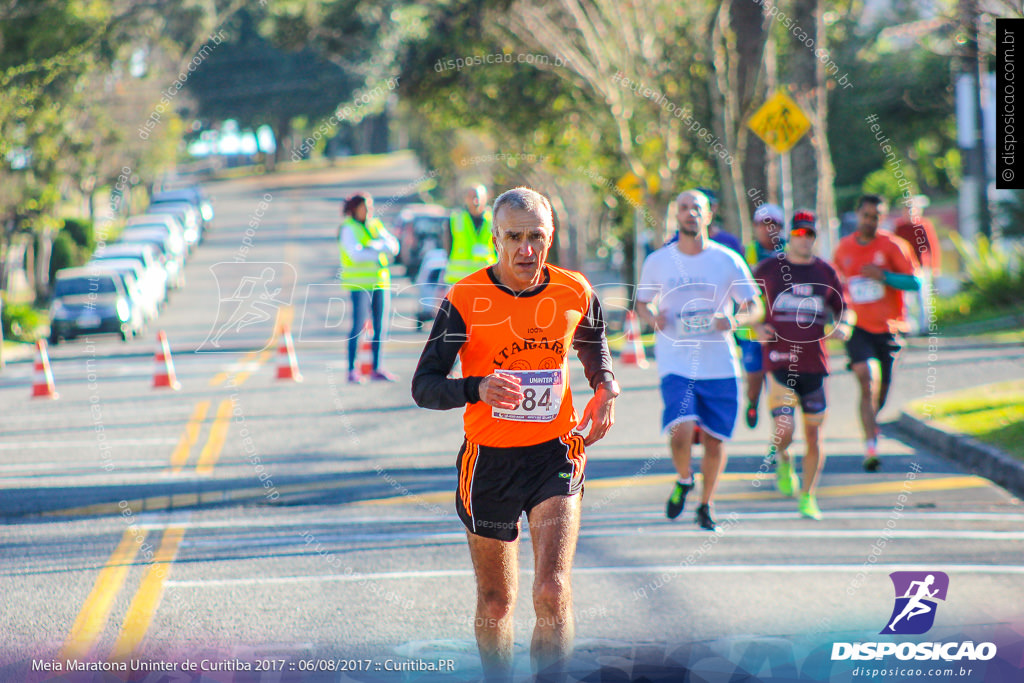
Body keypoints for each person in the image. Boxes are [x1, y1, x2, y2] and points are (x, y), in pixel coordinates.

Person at [412, 187, 618, 681]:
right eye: (515, 237)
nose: (527, 249)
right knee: (496, 601)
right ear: (496, 239)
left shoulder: (574, 290)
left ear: (551, 237)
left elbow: (593, 342)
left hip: (556, 453)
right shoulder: (465, 298)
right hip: (489, 462)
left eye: (536, 237)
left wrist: (605, 385)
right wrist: (476, 387)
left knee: (551, 591)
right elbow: (424, 386)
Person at [637, 189, 763, 531]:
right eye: (684, 207)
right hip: (676, 360)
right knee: (681, 430)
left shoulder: (726, 259)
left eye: (697, 208)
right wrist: (653, 320)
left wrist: (734, 321)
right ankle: (683, 478)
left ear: (709, 215)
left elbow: (755, 306)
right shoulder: (658, 260)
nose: (690, 213)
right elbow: (641, 303)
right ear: (675, 215)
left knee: (714, 439)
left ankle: (706, 505)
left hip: (719, 362)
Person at [752, 210, 852, 520]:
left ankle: (808, 496)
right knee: (784, 429)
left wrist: (845, 325)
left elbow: (846, 308)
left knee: (814, 436)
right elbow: (744, 305)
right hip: (780, 360)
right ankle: (783, 459)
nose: (804, 239)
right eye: (799, 234)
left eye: (810, 235)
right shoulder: (769, 269)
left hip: (815, 364)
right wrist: (754, 329)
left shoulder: (825, 272)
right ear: (789, 236)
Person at [833, 194, 920, 471]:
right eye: (866, 215)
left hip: (890, 329)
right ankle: (871, 446)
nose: (870, 221)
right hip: (858, 327)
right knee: (866, 378)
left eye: (876, 216)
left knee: (880, 392)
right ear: (857, 215)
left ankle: (872, 422)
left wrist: (884, 277)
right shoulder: (844, 248)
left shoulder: (894, 245)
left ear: (882, 218)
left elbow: (915, 282)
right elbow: (835, 285)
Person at [338, 193, 400, 383]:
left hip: (380, 283)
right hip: (359, 284)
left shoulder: (375, 225)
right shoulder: (348, 228)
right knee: (358, 326)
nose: (369, 211)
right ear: (355, 208)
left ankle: (376, 368)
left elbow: (393, 247)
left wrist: (373, 247)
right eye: (366, 206)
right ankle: (351, 369)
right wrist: (377, 251)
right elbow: (354, 254)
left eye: (371, 207)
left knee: (380, 327)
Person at [738, 203, 787, 429]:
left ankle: (779, 425)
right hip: (752, 329)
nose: (768, 229)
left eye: (773, 224)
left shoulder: (790, 252)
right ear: (755, 227)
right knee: (755, 377)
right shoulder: (746, 254)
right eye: (762, 224)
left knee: (780, 383)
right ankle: (752, 402)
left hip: (784, 328)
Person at [890, 197, 941, 335]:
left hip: (920, 267)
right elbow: (894, 248)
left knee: (923, 298)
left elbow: (931, 247)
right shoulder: (899, 227)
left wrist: (934, 267)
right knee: (906, 300)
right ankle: (907, 327)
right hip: (904, 269)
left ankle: (925, 327)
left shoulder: (922, 225)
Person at [444, 184, 497, 284]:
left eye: (478, 197)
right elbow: (447, 248)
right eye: (471, 197)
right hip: (459, 282)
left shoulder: (494, 220)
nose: (475, 201)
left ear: (486, 198)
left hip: (485, 281)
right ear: (466, 199)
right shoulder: (455, 219)